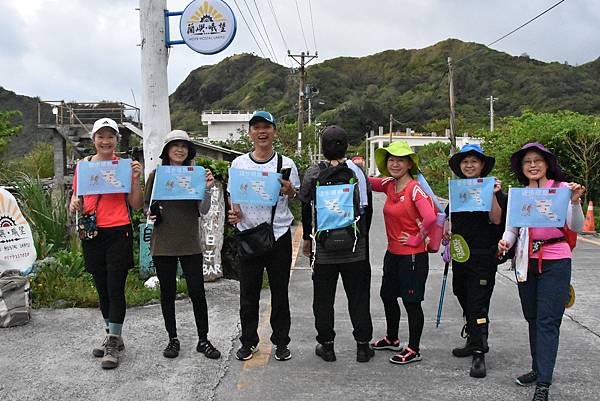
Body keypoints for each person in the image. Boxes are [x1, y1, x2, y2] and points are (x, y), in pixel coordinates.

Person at [498, 142, 585, 401]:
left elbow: (577, 226)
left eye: (538, 160)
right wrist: (506, 242)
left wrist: (575, 201)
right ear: (522, 168)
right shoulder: (520, 195)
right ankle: (538, 369)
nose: (533, 165)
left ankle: (544, 382)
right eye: (527, 162)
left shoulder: (561, 190)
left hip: (555, 261)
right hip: (526, 261)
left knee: (548, 321)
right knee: (533, 317)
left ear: (547, 164)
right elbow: (513, 228)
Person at [69, 118, 143, 369]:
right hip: (91, 232)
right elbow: (76, 196)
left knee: (114, 286)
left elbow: (136, 205)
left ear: (116, 140)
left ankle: (113, 340)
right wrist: (73, 203)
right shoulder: (83, 166)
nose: (106, 141)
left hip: (118, 230)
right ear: (94, 140)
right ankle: (112, 334)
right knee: (101, 286)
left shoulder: (124, 166)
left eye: (110, 136)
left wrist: (134, 179)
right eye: (101, 136)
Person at [227, 111, 300, 362]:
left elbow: (295, 196)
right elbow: (232, 196)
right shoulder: (238, 164)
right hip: (248, 234)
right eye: (256, 127)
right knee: (248, 293)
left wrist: (291, 191)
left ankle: (281, 342)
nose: (262, 131)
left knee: (280, 292)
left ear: (274, 132)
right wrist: (234, 214)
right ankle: (249, 342)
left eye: (266, 127)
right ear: (250, 134)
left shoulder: (287, 163)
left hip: (278, 235)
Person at [298, 125, 374, 363]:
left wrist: (307, 239)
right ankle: (363, 347)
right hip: (355, 248)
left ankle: (327, 346)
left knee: (323, 299)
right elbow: (367, 207)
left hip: (324, 250)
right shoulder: (357, 171)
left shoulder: (313, 172)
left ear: (322, 147)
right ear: (346, 146)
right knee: (359, 298)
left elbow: (305, 204)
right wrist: (361, 238)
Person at [144, 130, 221, 360]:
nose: (180, 149)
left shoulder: (196, 175)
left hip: (190, 242)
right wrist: (152, 213)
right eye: (175, 145)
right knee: (167, 293)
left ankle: (203, 339)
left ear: (189, 151)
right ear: (166, 151)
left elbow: (204, 210)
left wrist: (207, 187)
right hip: (163, 243)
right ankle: (172, 339)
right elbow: (147, 208)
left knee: (198, 292)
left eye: (184, 146)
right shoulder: (156, 175)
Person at [368, 141, 436, 365]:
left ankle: (414, 348)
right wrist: (348, 167)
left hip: (413, 256)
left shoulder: (414, 189)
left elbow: (430, 218)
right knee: (387, 296)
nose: (395, 163)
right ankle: (392, 338)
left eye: (400, 160)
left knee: (411, 302)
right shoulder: (390, 184)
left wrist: (418, 237)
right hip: (393, 253)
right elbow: (368, 183)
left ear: (409, 164)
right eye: (391, 159)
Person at [444, 143, 506, 378]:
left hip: (483, 255)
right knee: (461, 292)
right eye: (465, 162)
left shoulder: (493, 190)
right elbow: (450, 216)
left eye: (474, 161)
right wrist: (446, 229)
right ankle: (473, 336)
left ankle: (479, 351)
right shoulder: (457, 190)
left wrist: (492, 194)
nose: (469, 165)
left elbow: (496, 219)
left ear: (482, 166)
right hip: (461, 254)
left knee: (477, 302)